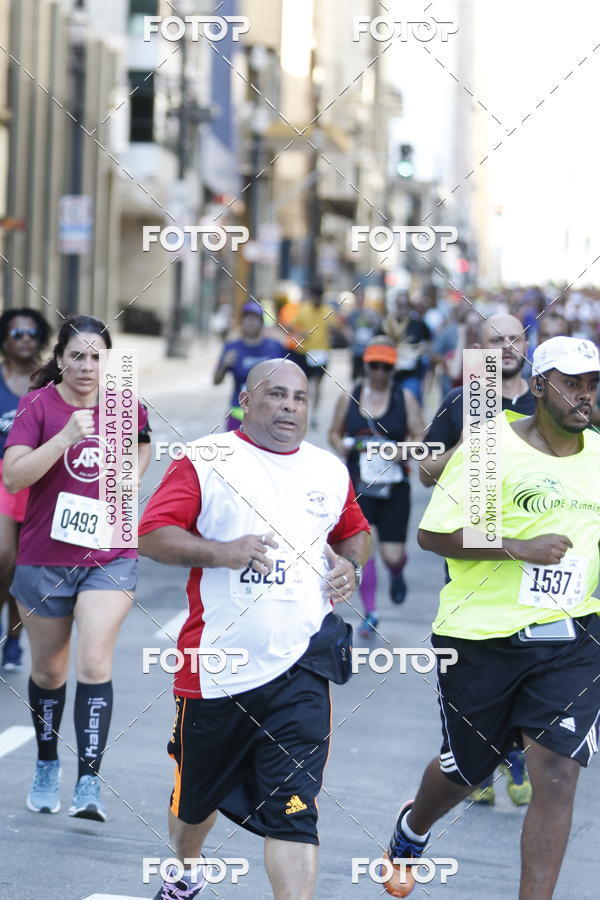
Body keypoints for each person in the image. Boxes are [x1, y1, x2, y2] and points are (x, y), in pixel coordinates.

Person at [138, 358, 370, 900]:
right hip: (217, 668)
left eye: (300, 397)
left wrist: (350, 566)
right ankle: (187, 868)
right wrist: (222, 553)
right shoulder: (208, 459)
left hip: (302, 665)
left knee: (295, 812)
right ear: (246, 399)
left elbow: (354, 530)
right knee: (195, 804)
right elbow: (151, 534)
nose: (290, 405)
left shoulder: (328, 469)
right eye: (276, 394)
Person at [380, 336, 600, 899]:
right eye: (571, 383)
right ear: (538, 386)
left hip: (573, 637)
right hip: (481, 637)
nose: (584, 395)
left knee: (556, 773)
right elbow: (432, 535)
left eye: (592, 384)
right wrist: (517, 546)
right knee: (469, 768)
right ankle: (413, 827)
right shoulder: (490, 449)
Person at [3, 315, 151, 821]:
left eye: (96, 357)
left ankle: (89, 780)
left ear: (106, 360)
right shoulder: (37, 407)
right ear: (61, 358)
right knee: (49, 670)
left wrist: (133, 472)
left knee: (93, 659)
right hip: (44, 557)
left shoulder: (124, 404)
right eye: (77, 356)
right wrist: (65, 437)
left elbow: (144, 440)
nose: (87, 366)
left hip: (109, 555)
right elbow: (15, 476)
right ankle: (48, 764)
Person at [329, 336, 424, 633]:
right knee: (363, 548)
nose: (380, 373)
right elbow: (334, 432)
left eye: (386, 367)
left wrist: (399, 451)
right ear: (365, 366)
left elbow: (420, 438)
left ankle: (397, 572)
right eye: (374, 366)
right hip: (360, 486)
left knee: (391, 554)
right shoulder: (350, 397)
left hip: (395, 487)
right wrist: (346, 446)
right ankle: (370, 612)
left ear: (393, 369)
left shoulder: (404, 399)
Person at [420, 313, 536, 487]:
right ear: (478, 350)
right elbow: (425, 475)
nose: (507, 346)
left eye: (514, 339)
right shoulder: (458, 400)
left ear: (526, 347)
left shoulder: (544, 401)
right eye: (496, 340)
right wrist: (460, 448)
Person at [0, 307, 50, 670]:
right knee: (2, 558)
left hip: (37, 479)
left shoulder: (48, 381)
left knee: (22, 568)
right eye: (18, 333)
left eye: (32, 333)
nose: (26, 339)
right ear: (5, 338)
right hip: (2, 479)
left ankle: (13, 642)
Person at [213, 300, 285, 430]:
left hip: (267, 413)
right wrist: (224, 364)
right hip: (238, 413)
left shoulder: (275, 347)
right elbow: (216, 381)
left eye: (254, 318)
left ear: (261, 322)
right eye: (247, 318)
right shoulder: (232, 347)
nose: (250, 322)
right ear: (242, 322)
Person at [293, 284, 334, 427]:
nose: (316, 299)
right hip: (306, 352)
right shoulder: (303, 310)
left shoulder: (328, 311)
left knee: (315, 384)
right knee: (308, 385)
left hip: (322, 352)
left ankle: (313, 414)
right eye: (314, 296)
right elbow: (291, 326)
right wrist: (300, 334)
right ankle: (308, 412)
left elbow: (335, 328)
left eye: (319, 297)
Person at [384, 293, 431, 405]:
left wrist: (422, 350)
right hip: (390, 373)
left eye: (405, 306)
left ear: (409, 307)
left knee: (411, 398)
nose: (402, 310)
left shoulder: (418, 324)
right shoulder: (386, 325)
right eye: (399, 305)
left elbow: (428, 342)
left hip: (412, 373)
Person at [344, 291, 382, 380]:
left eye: (362, 297)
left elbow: (377, 326)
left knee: (368, 374)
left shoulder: (370, 313)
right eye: (358, 297)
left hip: (368, 350)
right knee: (357, 376)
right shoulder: (352, 314)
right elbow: (347, 329)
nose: (360, 299)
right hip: (356, 350)